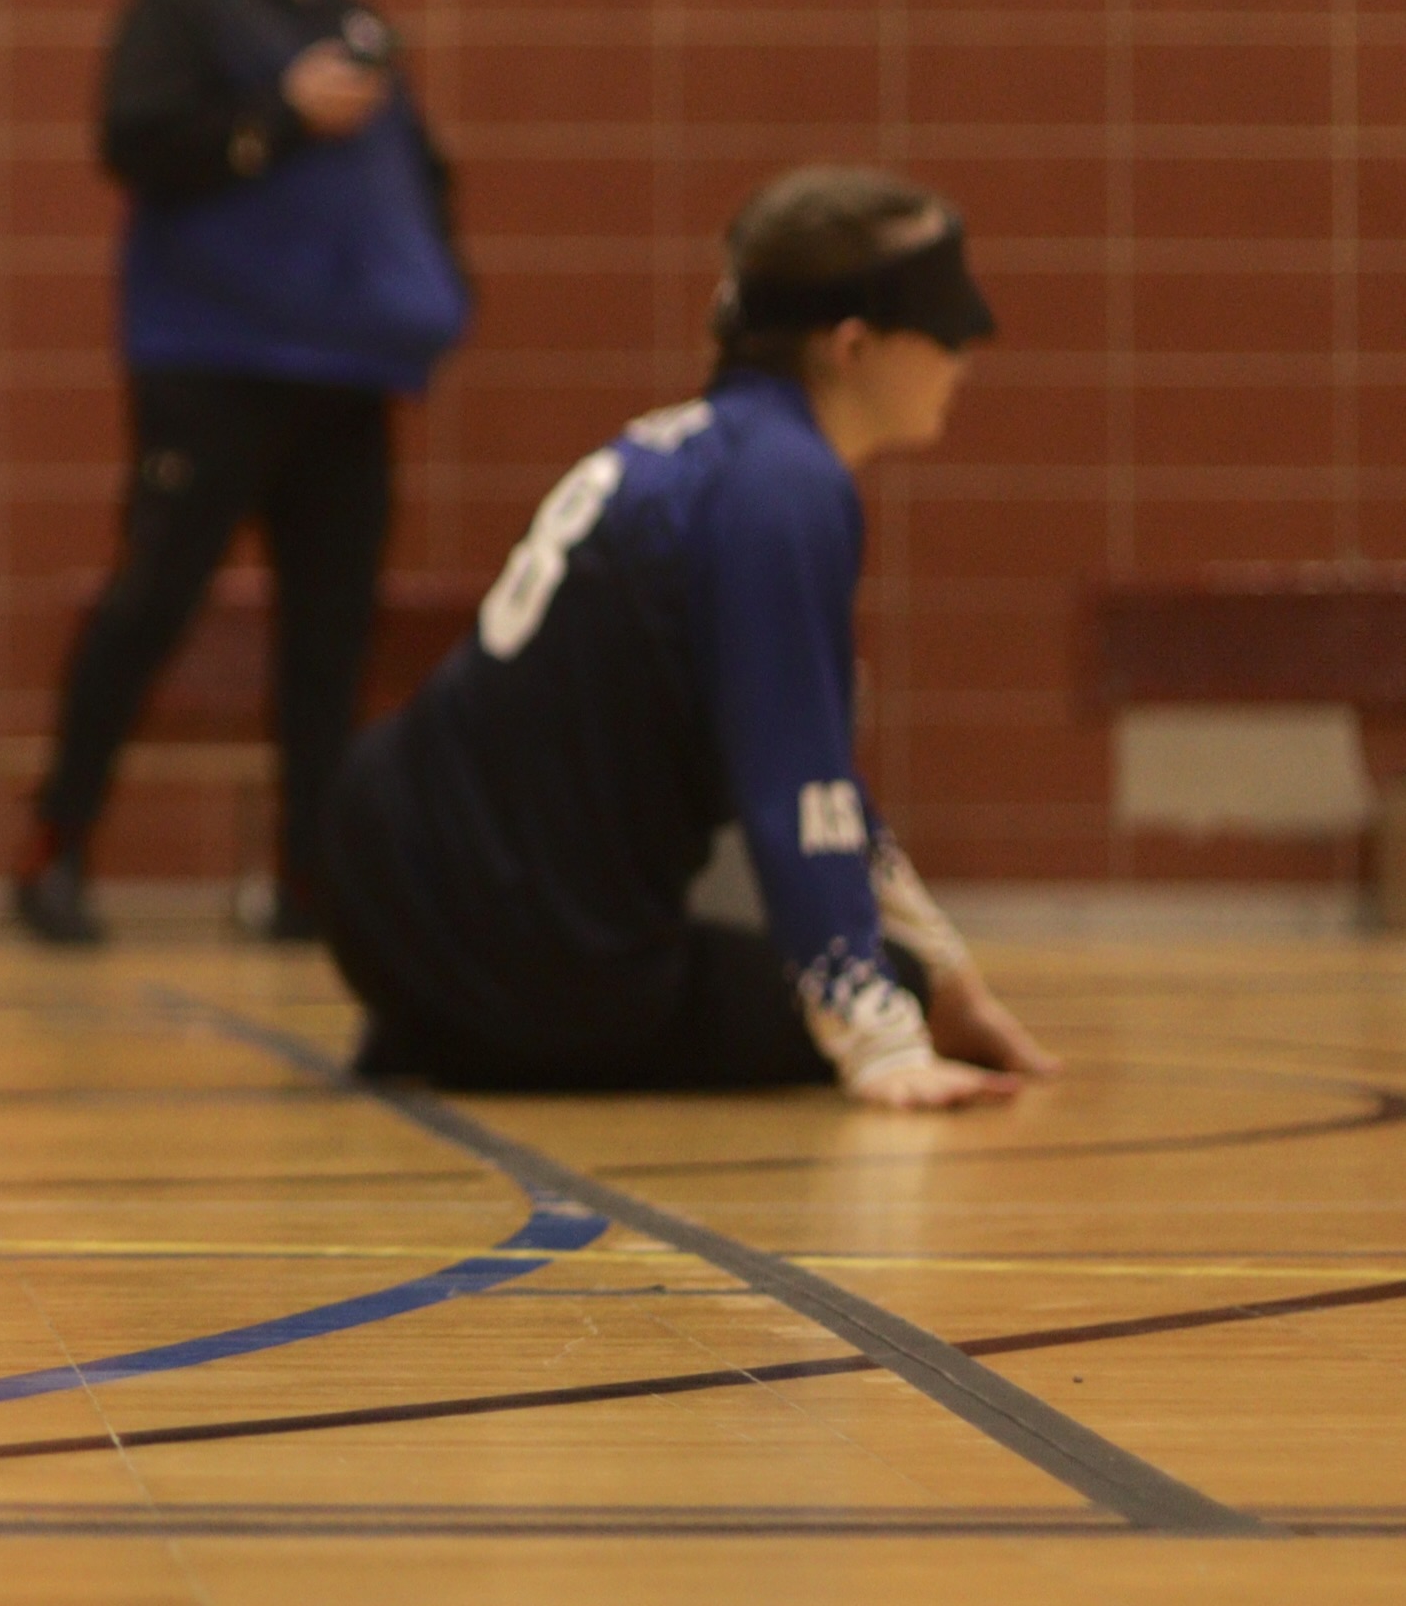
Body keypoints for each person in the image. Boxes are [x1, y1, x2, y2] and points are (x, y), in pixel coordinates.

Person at [313, 167, 1058, 1109]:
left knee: (903, 977)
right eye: (946, 330)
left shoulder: (699, 452)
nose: (965, 355)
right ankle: (502, 1027)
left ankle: (457, 1024)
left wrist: (951, 980)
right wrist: (882, 1033)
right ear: (855, 347)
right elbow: (800, 786)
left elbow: (827, 788)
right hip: (533, 957)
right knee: (881, 983)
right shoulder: (787, 489)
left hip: (380, 893)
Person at [14, 0, 470, 947]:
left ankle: (309, 875)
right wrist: (271, 116)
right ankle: (59, 846)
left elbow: (418, 170)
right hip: (212, 358)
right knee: (154, 600)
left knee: (332, 630)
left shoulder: (352, 15)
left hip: (345, 368)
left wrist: (431, 285)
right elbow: (134, 138)